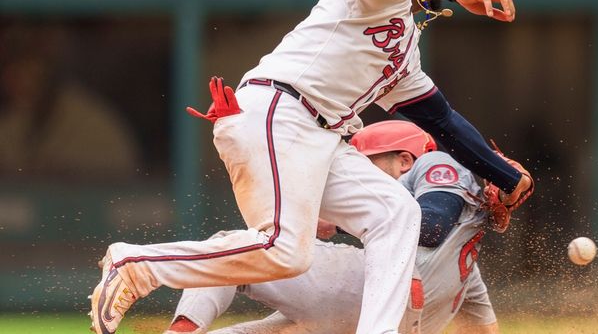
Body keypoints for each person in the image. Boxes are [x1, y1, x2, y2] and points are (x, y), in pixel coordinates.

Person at [89, 0, 533, 334]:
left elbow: (442, 121)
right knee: (283, 250)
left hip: (320, 135)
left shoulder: (406, 51)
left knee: (395, 213)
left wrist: (506, 176)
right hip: (278, 111)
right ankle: (137, 264)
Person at [164, 120, 521, 334]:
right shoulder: (465, 255)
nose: (355, 176)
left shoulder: (434, 162)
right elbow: (480, 322)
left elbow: (428, 228)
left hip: (371, 295)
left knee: (232, 247)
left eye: (365, 164)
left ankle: (182, 327)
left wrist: (338, 219)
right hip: (376, 317)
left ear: (405, 159)